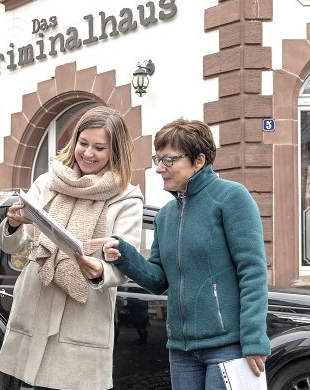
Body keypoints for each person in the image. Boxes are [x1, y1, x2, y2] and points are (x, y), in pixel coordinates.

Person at [91, 118, 270, 390]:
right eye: (158, 159)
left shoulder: (232, 197)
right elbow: (158, 280)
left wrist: (255, 338)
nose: (159, 168)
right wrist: (123, 253)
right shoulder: (165, 216)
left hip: (227, 346)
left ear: (198, 160)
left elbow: (253, 272)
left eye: (169, 160)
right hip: (181, 350)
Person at [0, 106, 144, 390]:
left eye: (99, 147)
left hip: (82, 313)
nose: (88, 153)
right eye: (83, 143)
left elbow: (124, 263)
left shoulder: (127, 198)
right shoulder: (47, 182)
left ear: (116, 151)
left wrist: (100, 270)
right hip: (36, 303)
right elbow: (14, 244)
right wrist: (13, 224)